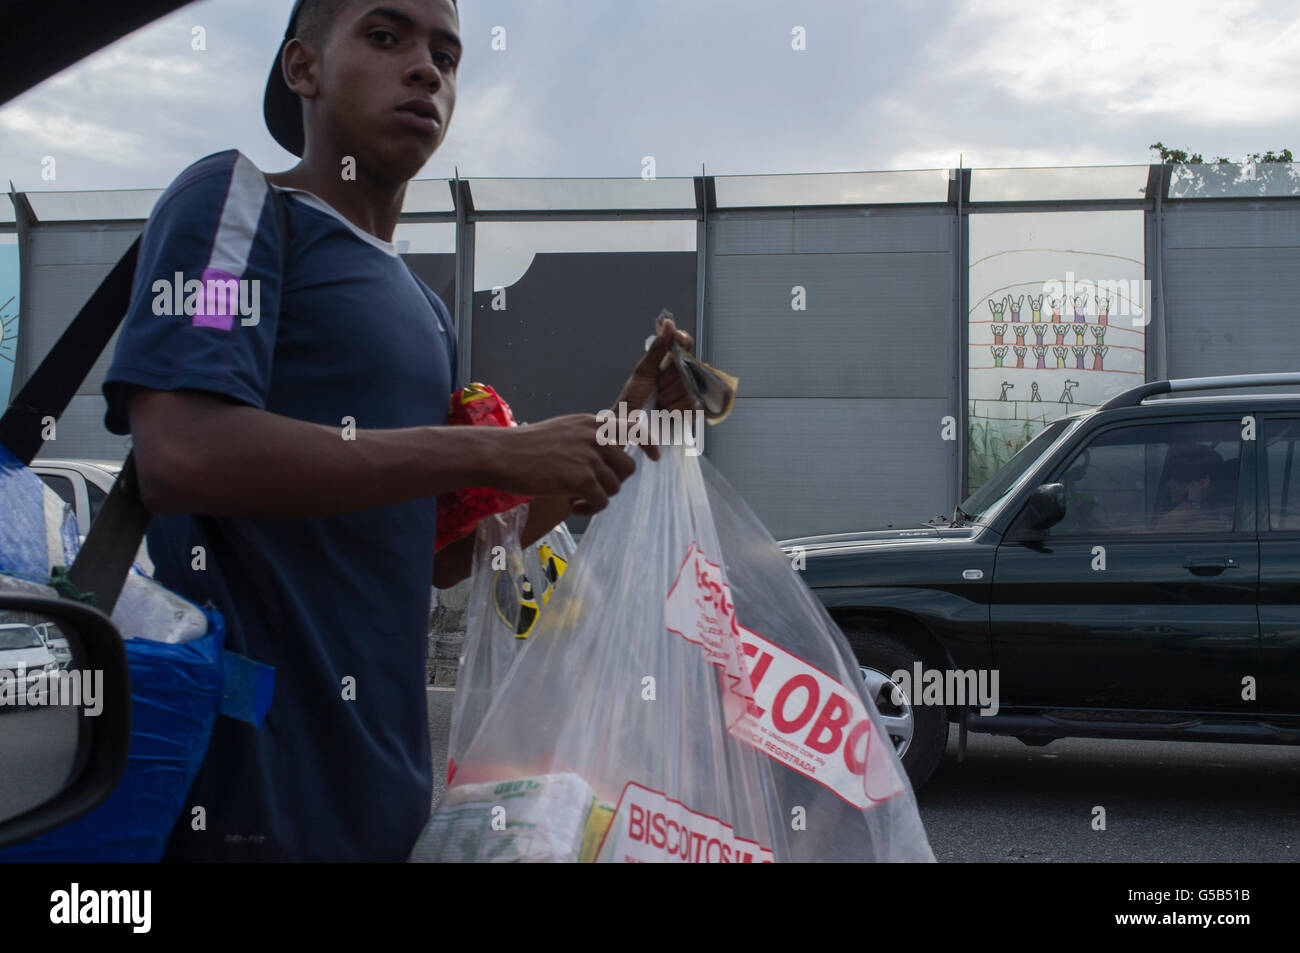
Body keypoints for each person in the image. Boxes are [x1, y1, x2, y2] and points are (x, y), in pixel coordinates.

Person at [100, 0, 699, 861]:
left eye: (446, 56)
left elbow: (444, 552)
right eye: (386, 38)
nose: (426, 69)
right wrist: (497, 447)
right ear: (303, 68)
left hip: (385, 795)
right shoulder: (238, 204)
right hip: (240, 785)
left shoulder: (424, 311)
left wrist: (605, 442)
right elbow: (183, 451)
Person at [1151, 444, 1233, 532]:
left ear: (1202, 482)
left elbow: (1161, 530)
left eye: (1175, 477)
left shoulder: (1220, 519)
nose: (1168, 484)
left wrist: (1192, 504)